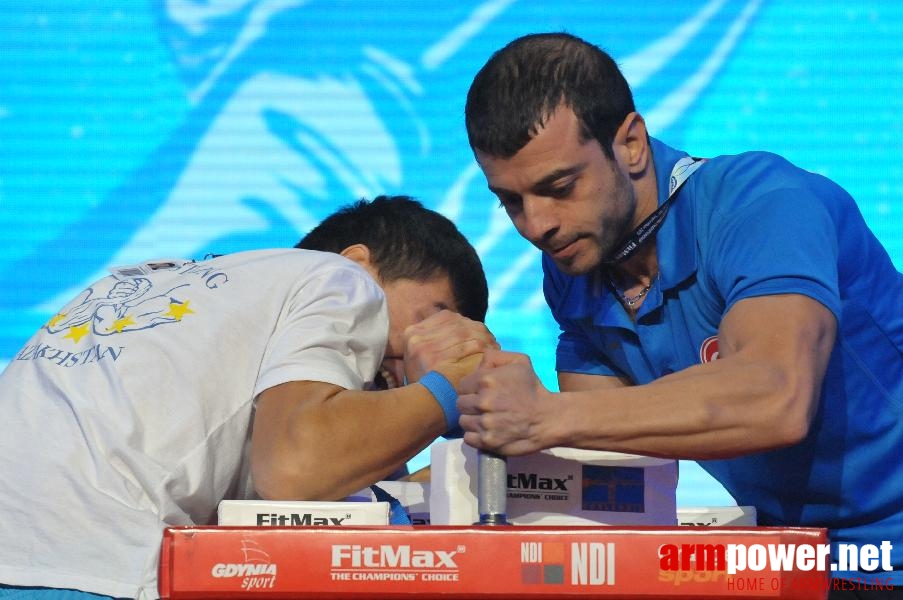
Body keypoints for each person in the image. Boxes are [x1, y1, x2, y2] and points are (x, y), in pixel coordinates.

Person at [459, 32, 903, 597]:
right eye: (512, 201)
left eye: (560, 187)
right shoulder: (575, 267)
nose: (535, 226)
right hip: (793, 560)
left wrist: (542, 415)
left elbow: (776, 401)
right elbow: (604, 461)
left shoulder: (763, 203)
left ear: (632, 144)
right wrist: (464, 395)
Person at [0, 195, 495, 599]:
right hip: (76, 571)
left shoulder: (143, 287)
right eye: (433, 318)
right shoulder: (336, 278)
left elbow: (337, 483)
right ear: (358, 260)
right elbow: (297, 466)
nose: (431, 346)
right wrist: (452, 385)